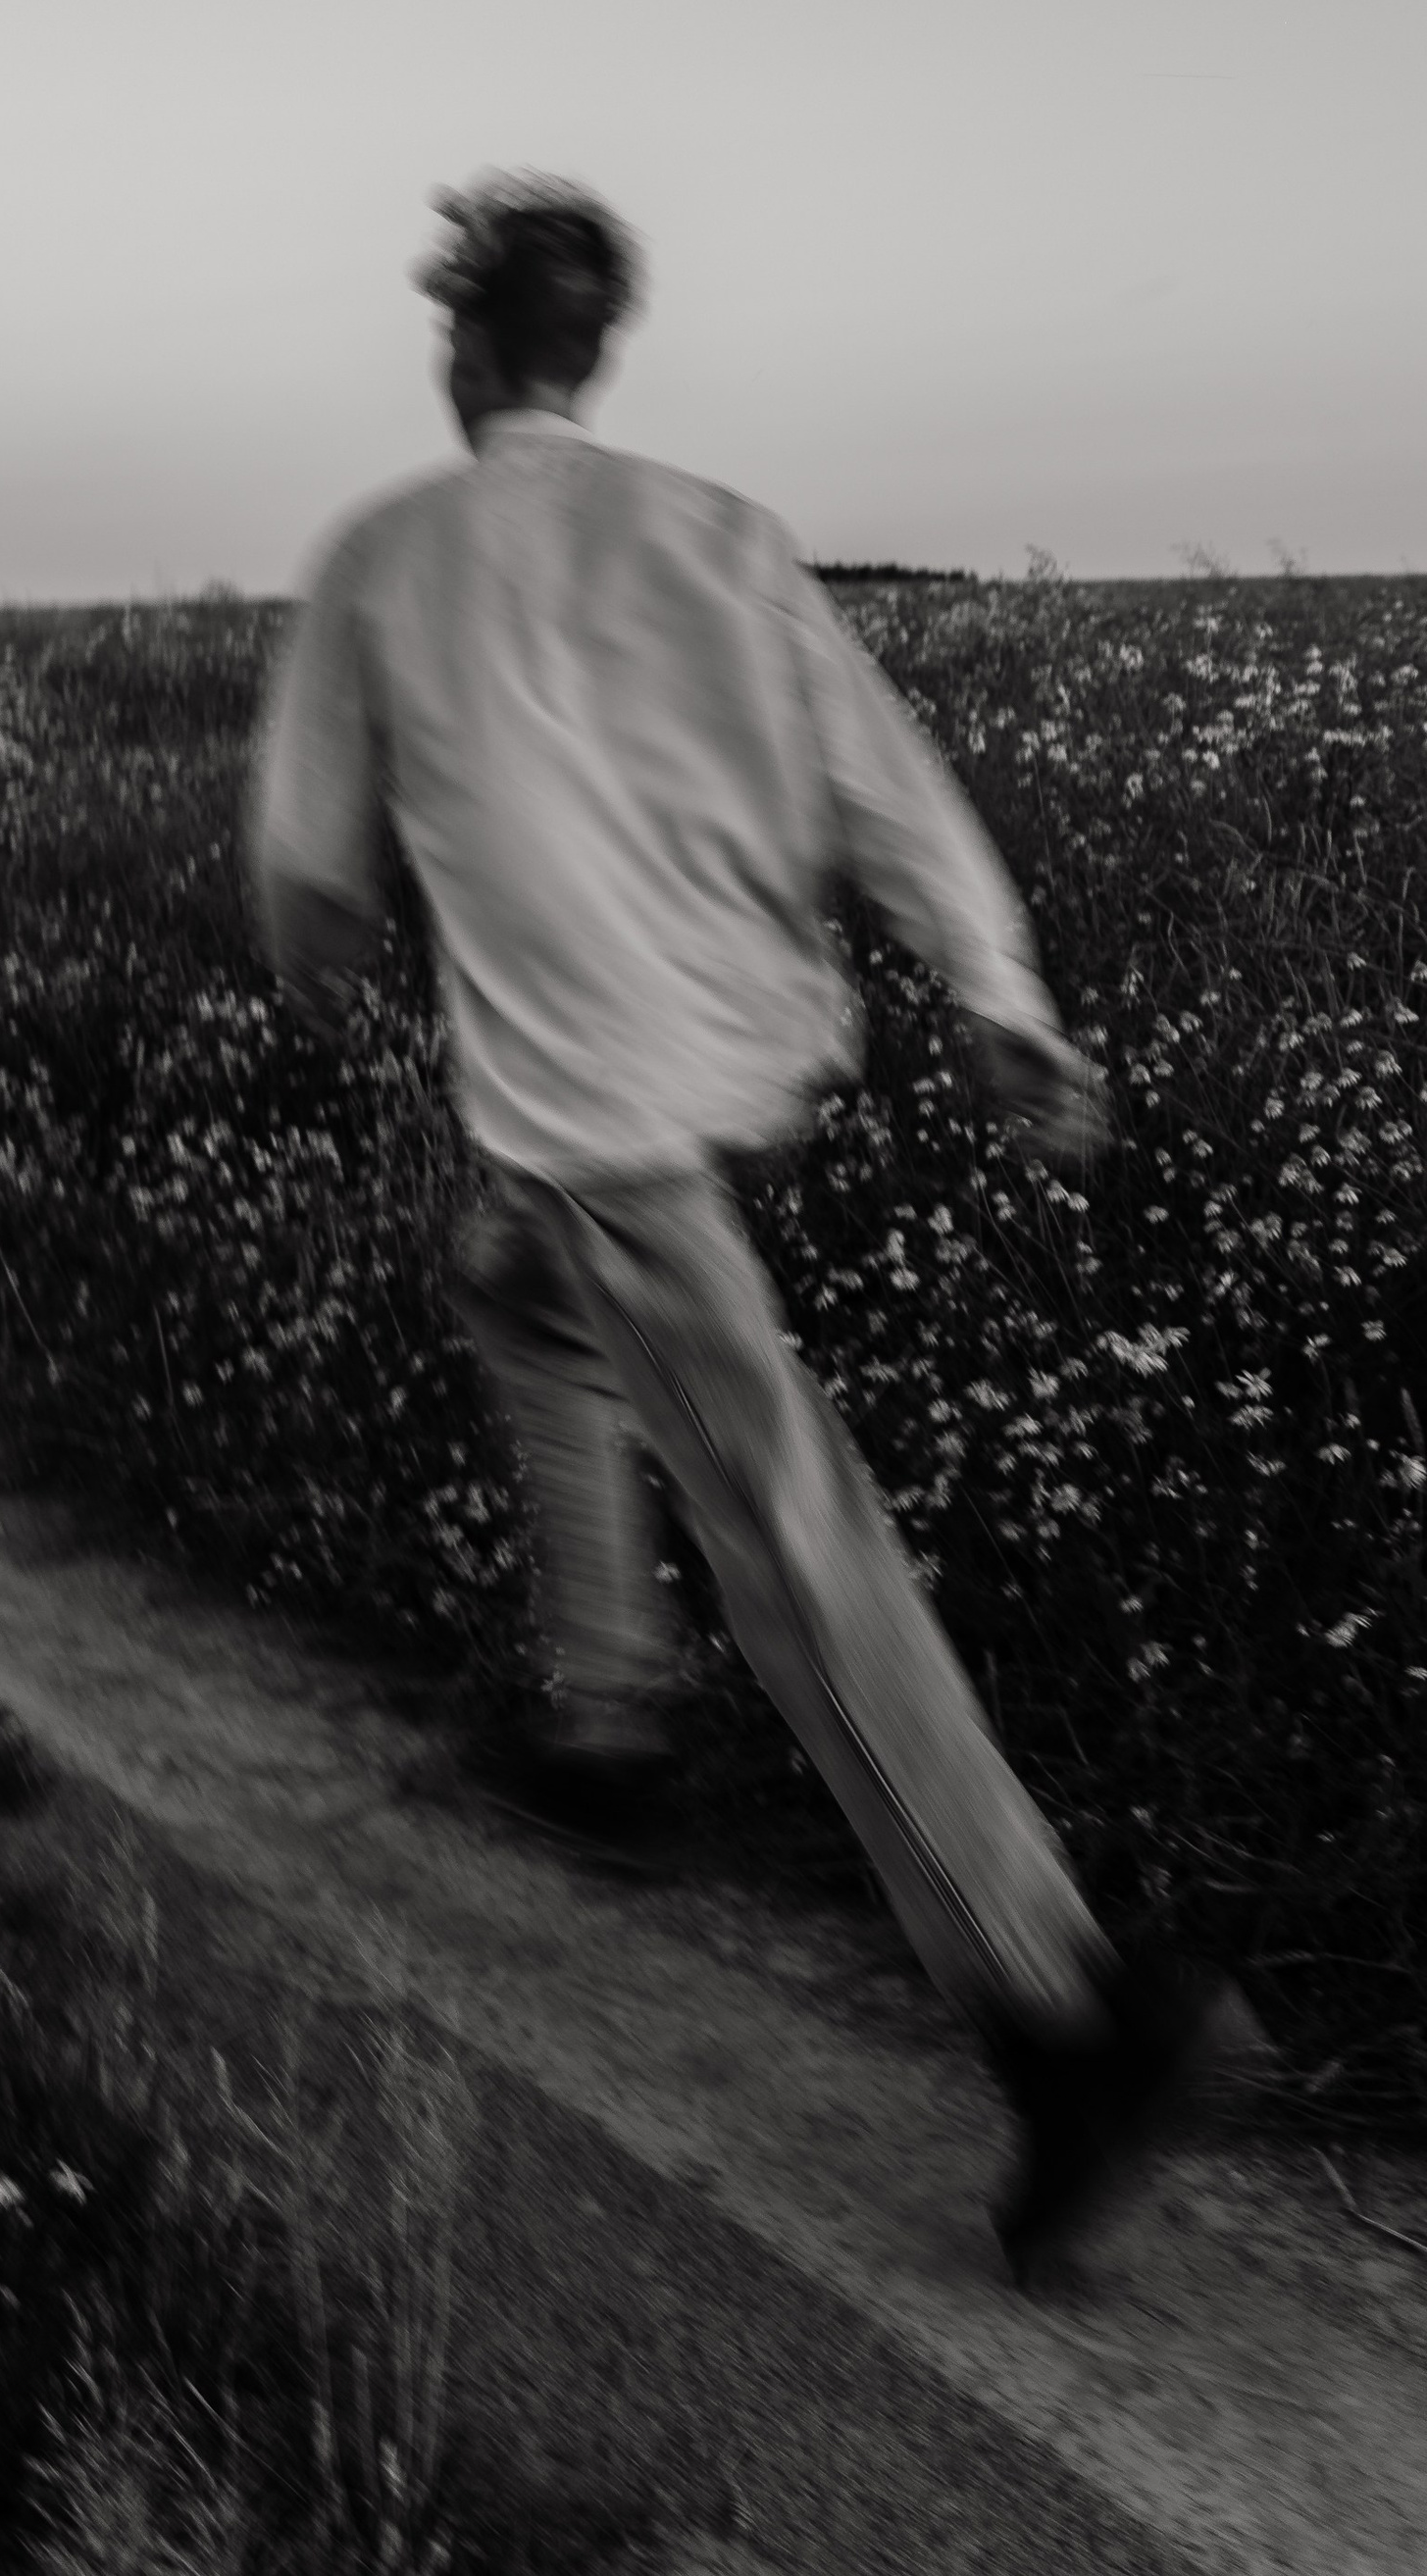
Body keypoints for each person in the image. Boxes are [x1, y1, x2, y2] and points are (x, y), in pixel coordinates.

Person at [247, 172, 1244, 2284]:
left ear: (456, 344)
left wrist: (334, 921)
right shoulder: (719, 537)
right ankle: (602, 1709)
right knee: (511, 1285)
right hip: (734, 1079)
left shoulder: (385, 560)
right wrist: (995, 1002)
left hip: (605, 1123)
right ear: (595, 350)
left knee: (794, 1538)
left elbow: (309, 896)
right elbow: (888, 788)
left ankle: (1064, 2008)